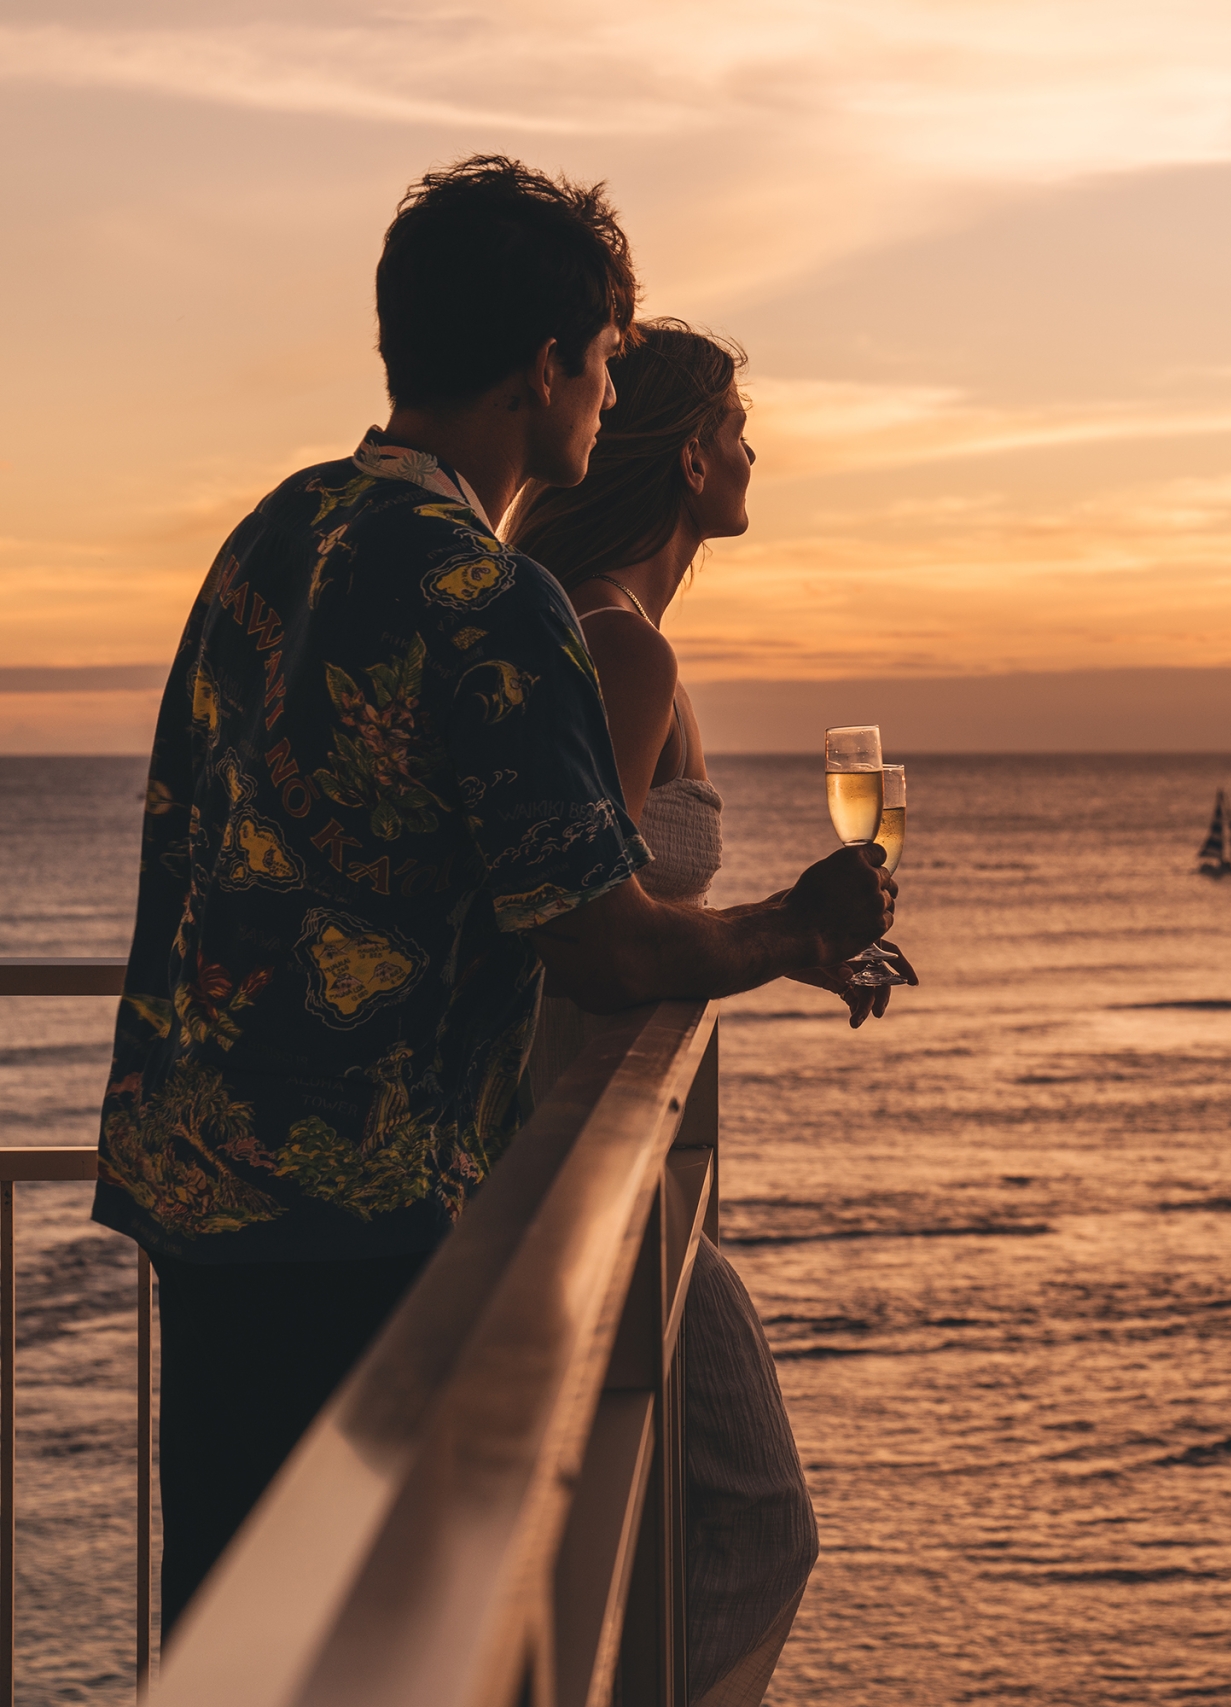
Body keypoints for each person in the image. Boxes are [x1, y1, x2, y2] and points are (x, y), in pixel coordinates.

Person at [89, 156, 895, 1641]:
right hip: (359, 1205)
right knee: (386, 1633)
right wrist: (791, 927)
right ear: (543, 371)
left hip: (192, 1169)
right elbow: (594, 936)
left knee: (233, 1624)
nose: (604, 392)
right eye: (597, 360)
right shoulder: (484, 593)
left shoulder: (277, 529)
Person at [510, 321, 906, 1704]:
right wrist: (790, 925)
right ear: (688, 460)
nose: (754, 449)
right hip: (583, 1163)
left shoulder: (598, 628)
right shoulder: (622, 652)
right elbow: (592, 941)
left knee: (644, 1522)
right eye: (737, 425)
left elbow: (603, 901)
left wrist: (771, 950)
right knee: (755, 1523)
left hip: (576, 1156)